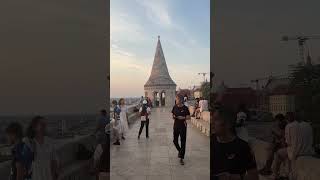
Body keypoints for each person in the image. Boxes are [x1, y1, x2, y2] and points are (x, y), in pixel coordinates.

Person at [212, 107, 259, 180]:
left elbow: (254, 176)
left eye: (216, 119)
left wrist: (232, 177)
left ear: (228, 124)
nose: (212, 123)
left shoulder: (243, 147)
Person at [24, 116, 59, 180]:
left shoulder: (49, 141)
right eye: (42, 124)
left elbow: (54, 160)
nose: (44, 126)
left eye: (45, 124)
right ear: (34, 127)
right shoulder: (27, 141)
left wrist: (55, 175)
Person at [272, 112, 299, 180]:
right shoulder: (297, 125)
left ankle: (276, 175)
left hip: (291, 149)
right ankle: (285, 174)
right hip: (297, 149)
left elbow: (287, 142)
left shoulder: (288, 126)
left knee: (278, 154)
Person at [172, 95, 191, 165]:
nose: (176, 100)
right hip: (176, 126)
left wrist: (183, 118)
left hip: (183, 126)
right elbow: (173, 115)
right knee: (175, 141)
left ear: (180, 100)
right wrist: (174, 117)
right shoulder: (175, 107)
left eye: (176, 99)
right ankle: (180, 152)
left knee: (183, 142)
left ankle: (181, 158)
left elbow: (189, 117)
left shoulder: (185, 108)